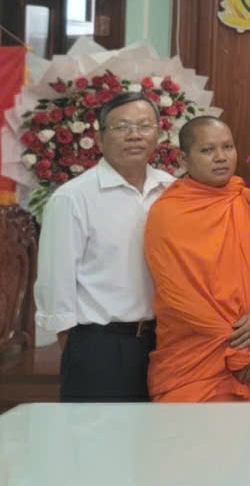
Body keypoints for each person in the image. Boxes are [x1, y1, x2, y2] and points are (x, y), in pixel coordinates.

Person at [34, 92, 174, 401]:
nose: (134, 135)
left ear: (158, 133)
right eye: (122, 127)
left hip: (166, 342)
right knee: (98, 432)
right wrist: (77, 348)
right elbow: (55, 282)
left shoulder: (172, 190)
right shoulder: (74, 197)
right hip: (101, 346)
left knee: (161, 430)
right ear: (99, 137)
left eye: (144, 126)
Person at [144, 116, 250, 402]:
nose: (221, 157)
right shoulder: (167, 213)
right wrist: (237, 344)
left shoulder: (248, 201)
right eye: (207, 150)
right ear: (183, 158)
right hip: (195, 354)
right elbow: (176, 294)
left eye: (227, 147)